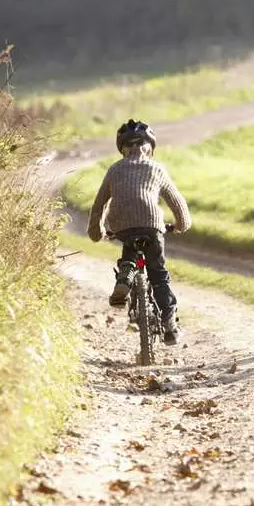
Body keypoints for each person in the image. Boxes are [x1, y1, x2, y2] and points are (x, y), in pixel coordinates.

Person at [87, 119, 192, 345]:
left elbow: (99, 205)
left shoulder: (114, 169)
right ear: (150, 147)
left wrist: (98, 231)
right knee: (158, 275)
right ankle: (169, 326)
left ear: (122, 149)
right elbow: (177, 202)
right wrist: (182, 225)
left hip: (122, 225)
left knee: (130, 251)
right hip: (152, 223)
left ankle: (126, 274)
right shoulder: (157, 168)